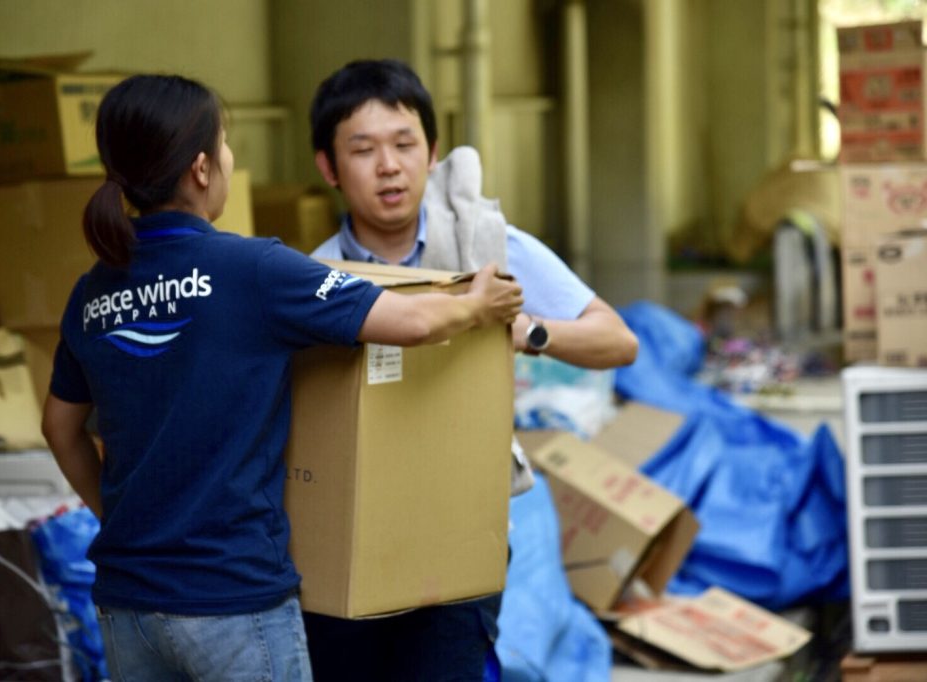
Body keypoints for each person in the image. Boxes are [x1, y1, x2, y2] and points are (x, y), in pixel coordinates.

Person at [40, 73, 523, 682]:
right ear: (201, 169)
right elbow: (410, 322)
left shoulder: (93, 292)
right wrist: (477, 306)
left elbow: (59, 428)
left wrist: (118, 520)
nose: (228, 157)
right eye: (224, 144)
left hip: (127, 604)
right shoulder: (251, 269)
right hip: (232, 599)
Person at [304, 59, 638, 681]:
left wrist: (527, 332)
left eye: (404, 144)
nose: (388, 166)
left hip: (459, 541)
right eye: (363, 150)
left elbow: (618, 341)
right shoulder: (313, 279)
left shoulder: (487, 248)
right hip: (352, 543)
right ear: (328, 167)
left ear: (433, 152)